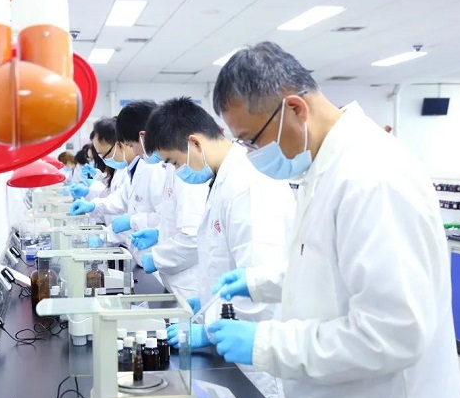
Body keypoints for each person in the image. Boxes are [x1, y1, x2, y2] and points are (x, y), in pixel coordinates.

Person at [208, 41, 460, 398]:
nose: (251, 155)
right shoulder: (325, 164)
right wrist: (258, 282)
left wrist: (266, 343)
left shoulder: (372, 177)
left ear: (295, 109)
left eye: (251, 141)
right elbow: (327, 269)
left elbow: (392, 333)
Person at [149, 97, 294, 342]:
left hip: (254, 339)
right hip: (230, 326)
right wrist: (207, 303)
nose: (176, 170)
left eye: (174, 162)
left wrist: (211, 332)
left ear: (195, 143)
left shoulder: (246, 184)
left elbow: (258, 278)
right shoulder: (224, 178)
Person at [127, 108, 210, 299]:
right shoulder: (176, 165)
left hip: (189, 285)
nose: (133, 151)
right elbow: (178, 219)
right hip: (178, 282)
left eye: (131, 145)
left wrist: (157, 258)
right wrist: (159, 232)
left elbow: (193, 235)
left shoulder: (189, 170)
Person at [70, 101, 166, 265]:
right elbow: (119, 199)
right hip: (142, 255)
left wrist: (131, 222)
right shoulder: (133, 170)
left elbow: (165, 217)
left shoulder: (153, 168)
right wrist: (93, 205)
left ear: (119, 144)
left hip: (157, 257)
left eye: (104, 155)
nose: (103, 160)